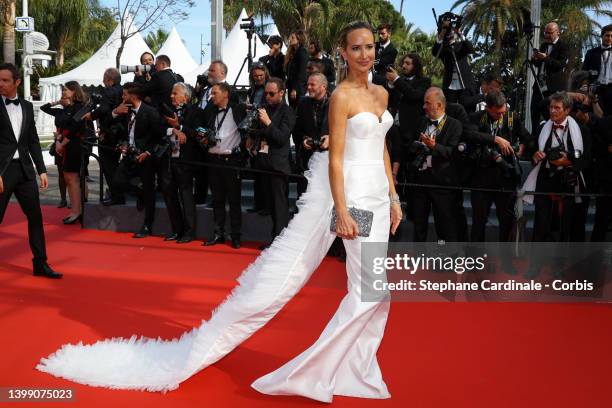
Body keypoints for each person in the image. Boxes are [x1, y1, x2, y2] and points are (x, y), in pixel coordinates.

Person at [37, 22, 401, 401]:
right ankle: (320, 372)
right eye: (356, 48)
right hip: (353, 201)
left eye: (370, 47)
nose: (365, 54)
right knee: (371, 291)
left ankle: (354, 366)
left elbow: (381, 147)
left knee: (376, 292)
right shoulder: (342, 96)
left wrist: (392, 197)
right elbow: (336, 161)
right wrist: (341, 211)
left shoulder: (381, 94)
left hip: (376, 197)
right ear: (343, 53)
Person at [0, 63, 62, 279]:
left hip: (25, 171)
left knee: (35, 217)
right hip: (3, 172)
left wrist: (42, 169)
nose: (1, 84)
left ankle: (40, 263)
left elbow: (33, 141)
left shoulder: (26, 106)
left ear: (17, 82)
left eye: (5, 80)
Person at [523, 92, 591, 242]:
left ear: (567, 110)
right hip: (546, 179)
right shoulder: (542, 129)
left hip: (570, 180)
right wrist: (535, 156)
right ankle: (540, 257)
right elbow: (532, 151)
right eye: (551, 107)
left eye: (557, 108)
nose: (552, 111)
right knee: (542, 221)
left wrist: (569, 160)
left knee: (568, 223)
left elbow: (584, 156)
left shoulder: (582, 130)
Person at [464, 91, 529, 242]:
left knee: (506, 221)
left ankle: (505, 257)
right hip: (481, 177)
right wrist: (495, 139)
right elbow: (469, 135)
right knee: (478, 221)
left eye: (503, 112)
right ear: (488, 108)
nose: (501, 116)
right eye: (497, 113)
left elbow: (527, 137)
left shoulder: (512, 117)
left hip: (505, 177)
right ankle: (475, 260)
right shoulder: (477, 117)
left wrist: (522, 148)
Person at [110, 82, 163, 238]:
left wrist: (148, 152)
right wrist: (123, 145)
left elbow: (160, 136)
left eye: (124, 94)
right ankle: (138, 192)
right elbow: (118, 129)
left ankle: (147, 225)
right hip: (129, 155)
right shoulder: (126, 111)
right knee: (117, 183)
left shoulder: (150, 112)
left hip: (145, 157)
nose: (122, 97)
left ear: (132, 96)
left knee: (149, 191)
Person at [410, 87, 463, 242]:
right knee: (419, 221)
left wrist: (434, 146)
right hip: (421, 180)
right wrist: (418, 146)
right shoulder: (421, 121)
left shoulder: (455, 125)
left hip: (442, 183)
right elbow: (410, 147)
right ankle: (418, 257)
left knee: (444, 223)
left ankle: (445, 257)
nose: (424, 106)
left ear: (439, 105)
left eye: (427, 103)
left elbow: (452, 153)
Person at [248, 77, 296, 246]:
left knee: (279, 207)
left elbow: (282, 138)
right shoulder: (264, 108)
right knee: (269, 206)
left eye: (271, 93)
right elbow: (260, 132)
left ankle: (280, 243)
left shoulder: (288, 112)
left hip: (278, 166)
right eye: (266, 93)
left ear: (282, 93)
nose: (267, 96)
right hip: (263, 163)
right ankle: (274, 239)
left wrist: (267, 122)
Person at [202, 82, 247, 249]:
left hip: (231, 161)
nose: (211, 96)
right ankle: (218, 234)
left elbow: (247, 130)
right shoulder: (210, 111)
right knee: (217, 200)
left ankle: (236, 236)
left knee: (234, 201)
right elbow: (201, 128)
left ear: (225, 94)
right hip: (213, 160)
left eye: (214, 93)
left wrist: (243, 150)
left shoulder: (238, 109)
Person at [160, 83, 205, 244]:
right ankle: (176, 230)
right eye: (171, 93)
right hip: (168, 159)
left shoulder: (196, 112)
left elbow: (199, 135)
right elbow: (160, 129)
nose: (171, 96)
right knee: (169, 195)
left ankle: (189, 232)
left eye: (175, 93)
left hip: (186, 160)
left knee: (186, 196)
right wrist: (173, 130)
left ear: (185, 97)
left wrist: (180, 126)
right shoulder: (166, 110)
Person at [42, 81, 90, 224]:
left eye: (67, 90)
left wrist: (61, 143)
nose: (64, 92)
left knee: (73, 179)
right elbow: (67, 127)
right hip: (67, 146)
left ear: (74, 91)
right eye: (63, 89)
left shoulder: (80, 107)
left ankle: (77, 211)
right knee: (70, 179)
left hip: (74, 147)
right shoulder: (71, 108)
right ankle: (76, 210)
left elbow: (76, 128)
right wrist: (59, 141)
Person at [83, 68, 124, 206]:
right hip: (120, 133)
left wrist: (91, 115)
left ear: (109, 80)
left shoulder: (109, 91)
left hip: (109, 134)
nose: (103, 82)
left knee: (108, 166)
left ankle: (116, 195)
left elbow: (104, 109)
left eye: (104, 79)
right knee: (115, 165)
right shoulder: (122, 90)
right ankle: (118, 194)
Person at [293, 73, 330, 198]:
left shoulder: (335, 102)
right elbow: (297, 128)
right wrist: (304, 139)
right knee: (304, 191)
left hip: (329, 157)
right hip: (307, 157)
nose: (308, 87)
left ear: (323, 86)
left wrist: (331, 138)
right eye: (307, 84)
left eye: (312, 84)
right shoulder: (303, 102)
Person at [530, 22, 569, 131]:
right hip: (539, 85)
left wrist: (546, 58)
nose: (547, 35)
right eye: (545, 33)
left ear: (558, 32)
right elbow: (539, 65)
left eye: (550, 33)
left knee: (551, 114)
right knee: (534, 111)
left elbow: (560, 65)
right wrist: (535, 59)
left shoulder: (563, 46)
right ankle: (534, 136)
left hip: (554, 87)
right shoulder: (544, 45)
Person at [432, 19, 475, 104]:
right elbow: (435, 52)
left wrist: (459, 32)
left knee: (466, 109)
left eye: (452, 32)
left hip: (465, 84)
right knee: (451, 110)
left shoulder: (461, 45)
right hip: (449, 86)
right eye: (449, 32)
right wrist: (442, 32)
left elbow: (470, 48)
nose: (451, 33)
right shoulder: (443, 48)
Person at [42, 96, 71, 209]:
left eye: (65, 97)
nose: (62, 99)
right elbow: (44, 108)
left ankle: (74, 199)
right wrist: (57, 102)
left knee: (72, 174)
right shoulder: (59, 111)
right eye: (61, 98)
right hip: (58, 142)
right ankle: (63, 199)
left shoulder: (74, 110)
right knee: (61, 173)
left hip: (70, 142)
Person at [582, 24, 612, 115]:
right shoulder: (591, 53)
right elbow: (584, 71)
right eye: (607, 35)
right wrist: (585, 85)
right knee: (597, 116)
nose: (609, 38)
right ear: (602, 36)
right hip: (597, 89)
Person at [285, 30, 309, 108]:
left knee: (297, 111)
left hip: (298, 89)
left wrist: (295, 89)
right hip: (292, 87)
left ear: (299, 39)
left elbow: (302, 73)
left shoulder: (302, 52)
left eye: (293, 38)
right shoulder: (293, 53)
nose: (290, 39)